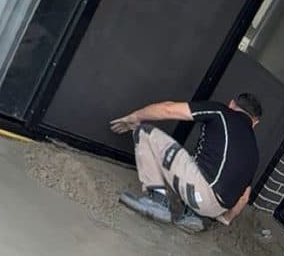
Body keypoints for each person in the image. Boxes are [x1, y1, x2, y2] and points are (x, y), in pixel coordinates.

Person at [110, 93, 263, 232]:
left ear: (231, 104)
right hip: (216, 209)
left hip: (199, 192)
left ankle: (157, 200)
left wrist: (134, 117)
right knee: (199, 163)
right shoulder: (254, 151)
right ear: (255, 123)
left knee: (144, 132)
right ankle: (195, 215)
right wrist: (225, 218)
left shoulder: (221, 112)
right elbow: (244, 198)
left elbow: (168, 109)